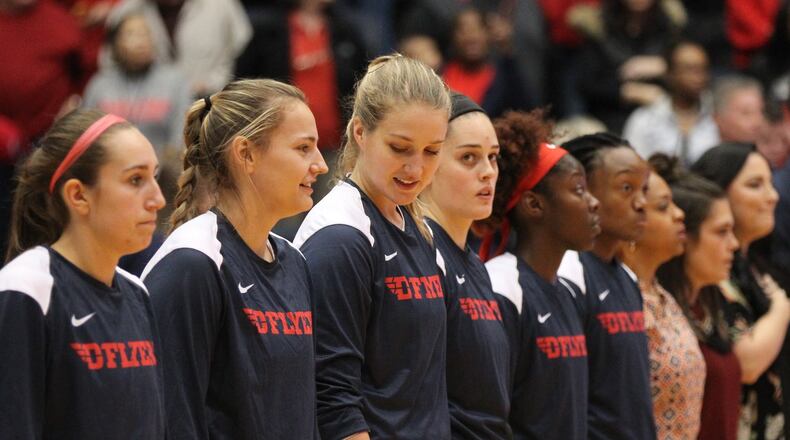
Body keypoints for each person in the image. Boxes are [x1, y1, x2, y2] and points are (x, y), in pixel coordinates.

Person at [140, 79, 328, 439]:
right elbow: (172, 421)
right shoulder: (192, 264)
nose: (319, 164)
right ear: (246, 154)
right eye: (303, 148)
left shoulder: (293, 261)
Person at [293, 54, 451, 440]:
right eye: (400, 148)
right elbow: (332, 400)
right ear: (360, 133)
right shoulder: (340, 236)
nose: (416, 168)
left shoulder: (415, 225)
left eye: (432, 151)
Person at [0, 109, 166, 438]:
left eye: (155, 178)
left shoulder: (138, 294)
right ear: (78, 195)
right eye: (136, 180)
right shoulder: (27, 290)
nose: (158, 200)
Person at [480, 111, 601, 439]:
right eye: (578, 190)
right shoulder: (501, 286)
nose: (594, 204)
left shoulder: (570, 291)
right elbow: (490, 413)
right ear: (534, 205)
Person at [418, 93, 510, 438]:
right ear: (428, 162)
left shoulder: (476, 265)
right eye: (468, 158)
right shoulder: (421, 255)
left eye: (493, 157)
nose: (487, 172)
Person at [557, 132, 657, 439]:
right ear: (583, 190)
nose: (642, 203)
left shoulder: (626, 277)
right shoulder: (568, 275)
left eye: (644, 190)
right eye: (627, 188)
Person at [692, 143, 790, 440]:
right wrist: (781, 309)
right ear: (716, 192)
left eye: (770, 184)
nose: (772, 197)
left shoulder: (761, 270)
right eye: (754, 185)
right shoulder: (706, 278)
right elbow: (746, 363)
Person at [620, 154, 706, 439]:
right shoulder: (617, 299)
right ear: (632, 217)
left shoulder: (661, 294)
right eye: (663, 206)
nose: (680, 213)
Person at [654, 159, 742, 440]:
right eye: (721, 232)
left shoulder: (712, 302)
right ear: (684, 237)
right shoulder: (654, 310)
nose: (734, 244)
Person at [82, 13, 192, 163]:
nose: (142, 42)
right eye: (131, 34)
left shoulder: (174, 81)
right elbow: (87, 138)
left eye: (146, 34)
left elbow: (182, 136)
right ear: (115, 44)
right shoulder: (100, 85)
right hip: (108, 169)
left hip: (162, 172)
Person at [106, 0, 252, 95]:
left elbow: (241, 47)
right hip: (147, 110)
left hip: (212, 101)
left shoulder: (221, 5)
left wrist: (216, 82)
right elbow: (109, 63)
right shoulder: (126, 10)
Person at [623, 40, 720, 165]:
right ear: (670, 74)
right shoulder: (644, 120)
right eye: (690, 69)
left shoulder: (718, 117)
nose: (698, 77)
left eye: (703, 69)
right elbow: (632, 167)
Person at [712, 75, 766, 144]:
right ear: (717, 118)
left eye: (762, 112)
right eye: (746, 113)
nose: (758, 121)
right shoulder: (703, 151)